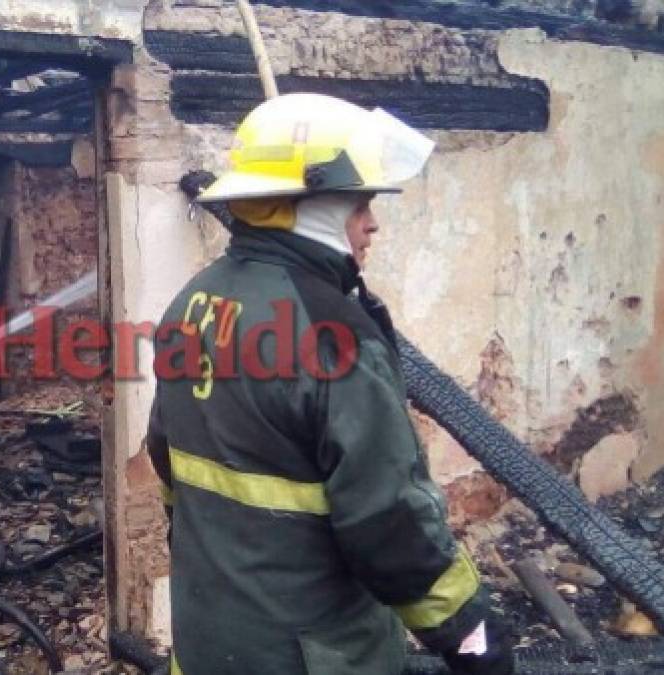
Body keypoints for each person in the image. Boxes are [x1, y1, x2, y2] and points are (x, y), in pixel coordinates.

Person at [146, 93, 514, 674]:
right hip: (309, 654)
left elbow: (169, 465)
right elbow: (388, 520)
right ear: (311, 206)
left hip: (206, 642)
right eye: (361, 202)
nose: (372, 222)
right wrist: (469, 631)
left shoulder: (189, 303)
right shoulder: (333, 336)